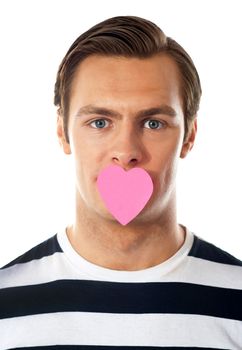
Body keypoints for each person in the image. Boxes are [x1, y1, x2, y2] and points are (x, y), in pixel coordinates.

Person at [0, 15, 241, 349]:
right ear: (62, 133)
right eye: (100, 122)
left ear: (189, 136)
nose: (126, 151)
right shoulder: (6, 306)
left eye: (154, 123)